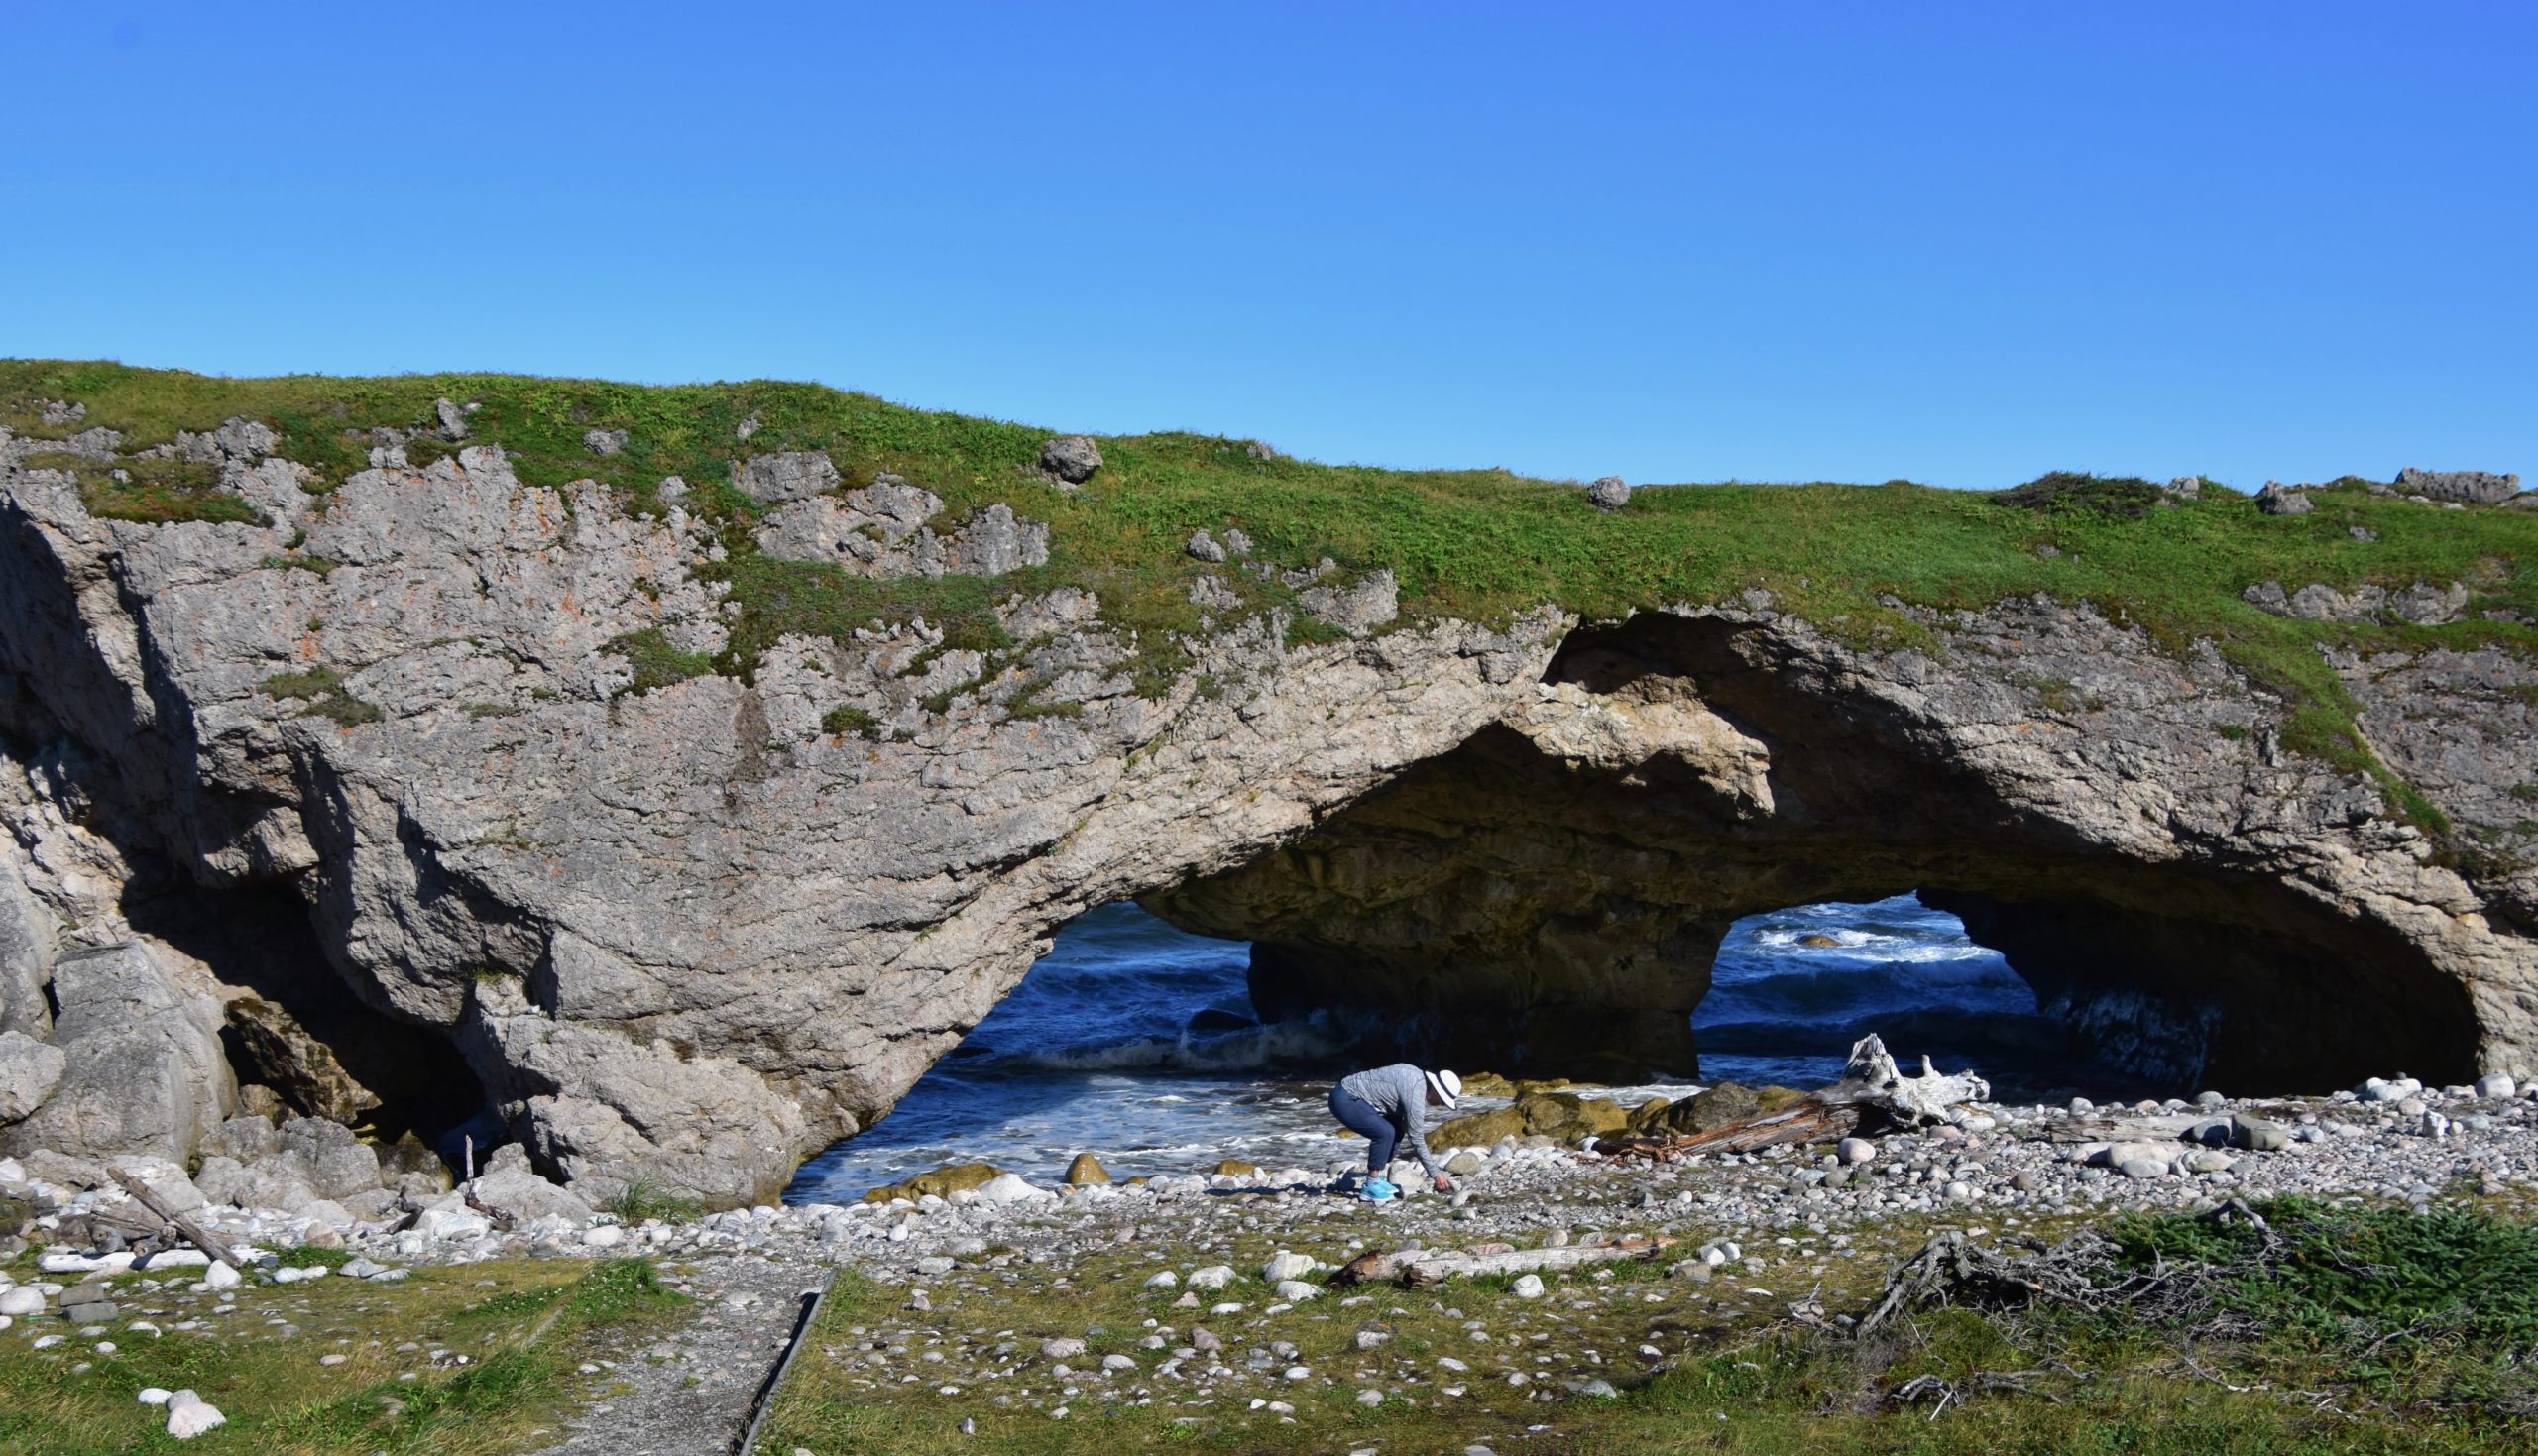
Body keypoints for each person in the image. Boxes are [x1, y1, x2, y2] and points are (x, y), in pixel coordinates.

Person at [1327, 1064, 1462, 1197]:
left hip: (1355, 1098)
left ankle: (1376, 1177)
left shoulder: (1417, 1076)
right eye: (1443, 1101)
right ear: (1436, 1090)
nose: (1441, 1105)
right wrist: (1436, 1174)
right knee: (1385, 1133)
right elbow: (1416, 1139)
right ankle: (1370, 1186)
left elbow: (1407, 1126)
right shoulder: (1415, 1094)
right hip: (1345, 1099)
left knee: (1397, 1128)